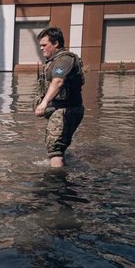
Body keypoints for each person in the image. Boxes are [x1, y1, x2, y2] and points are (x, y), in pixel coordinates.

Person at [33, 27, 85, 167]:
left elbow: (58, 81)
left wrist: (43, 104)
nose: (42, 49)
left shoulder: (64, 60)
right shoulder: (56, 60)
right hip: (64, 110)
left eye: (44, 45)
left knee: (54, 149)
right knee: (58, 147)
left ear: (55, 43)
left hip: (65, 110)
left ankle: (56, 184)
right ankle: (61, 169)